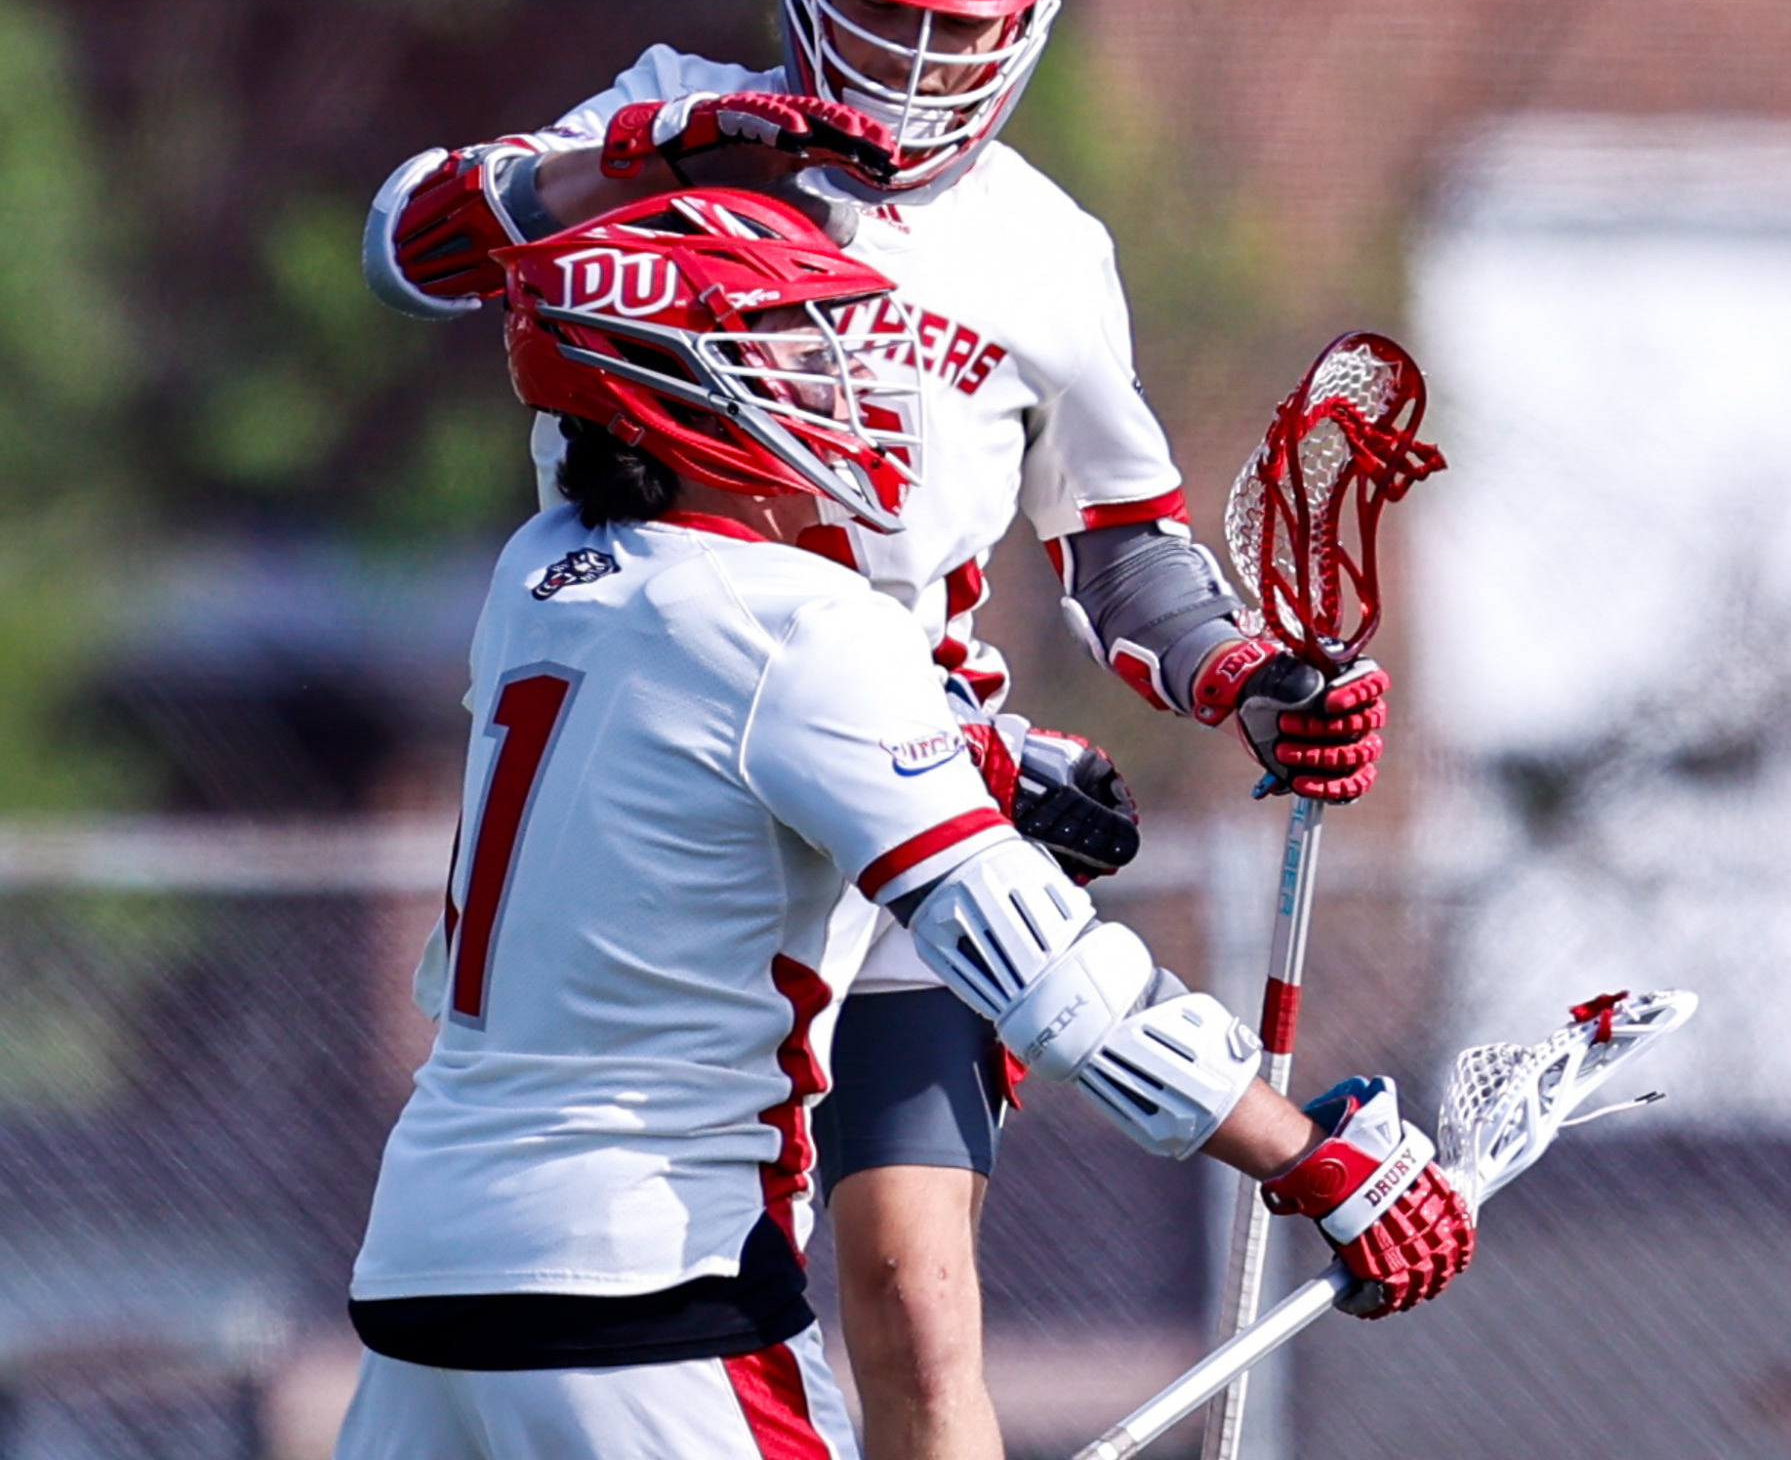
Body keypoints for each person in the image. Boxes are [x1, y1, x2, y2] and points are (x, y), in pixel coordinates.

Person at [361, 0, 1390, 1459]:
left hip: (906, 798)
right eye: (873, 10)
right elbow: (415, 243)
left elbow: (1115, 539)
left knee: (911, 1300)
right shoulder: (672, 114)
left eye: (954, 30)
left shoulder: (1043, 252)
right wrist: (656, 150)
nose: (908, 72)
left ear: (1033, 15)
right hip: (674, 789)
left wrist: (1241, 676)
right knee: (652, 1227)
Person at [335, 191, 1472, 1460]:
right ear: (671, 392)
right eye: (787, 344)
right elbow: (1045, 973)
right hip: (647, 1300)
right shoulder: (806, 624)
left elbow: (699, 726)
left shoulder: (539, 576)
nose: (845, 378)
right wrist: (1313, 1157)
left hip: (423, 1275)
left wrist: (978, 748)